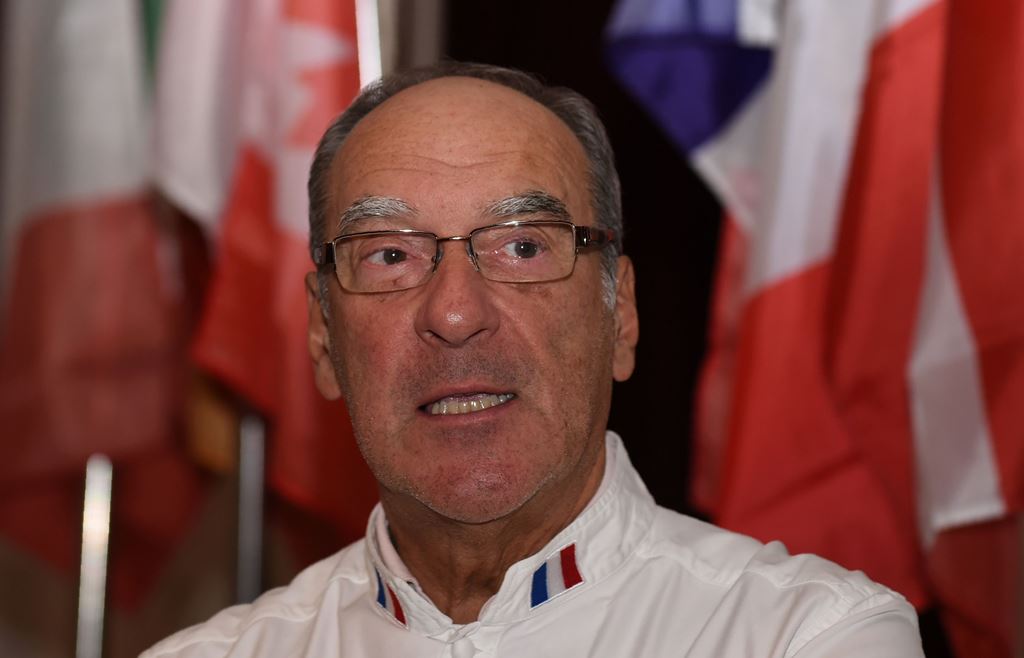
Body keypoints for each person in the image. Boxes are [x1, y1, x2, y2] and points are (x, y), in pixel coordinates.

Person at [143, 62, 924, 657]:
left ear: (621, 315)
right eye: (390, 255)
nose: (455, 313)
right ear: (323, 336)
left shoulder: (803, 637)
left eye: (522, 246)